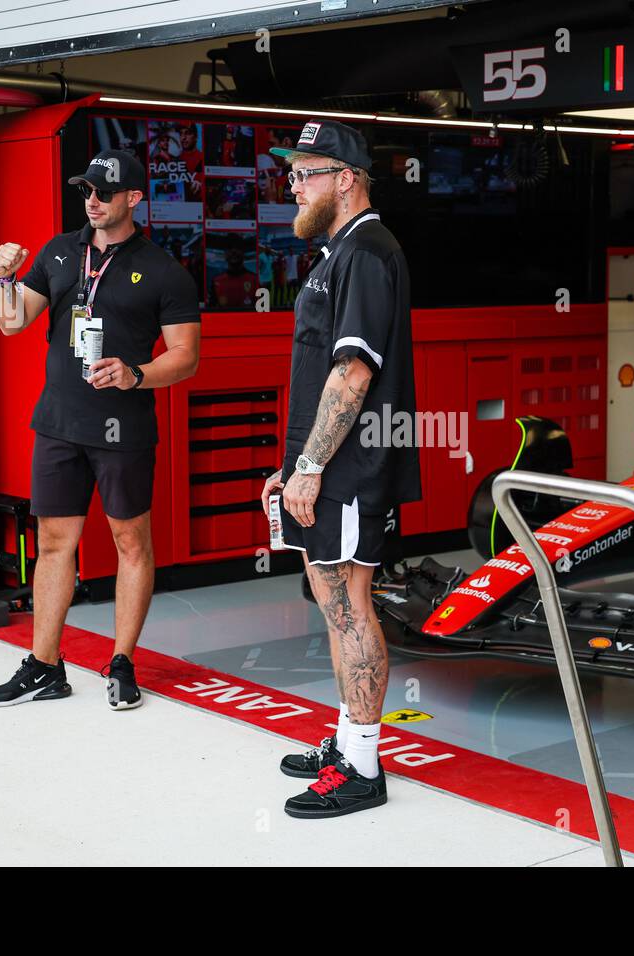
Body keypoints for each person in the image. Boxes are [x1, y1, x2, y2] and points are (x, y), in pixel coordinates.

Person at [0, 149, 202, 710]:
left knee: (131, 544)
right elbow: (12, 322)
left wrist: (137, 375)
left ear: (133, 198)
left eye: (105, 193)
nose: (93, 201)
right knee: (55, 544)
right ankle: (45, 666)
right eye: (86, 191)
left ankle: (123, 661)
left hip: (123, 427)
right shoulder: (60, 252)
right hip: (58, 422)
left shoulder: (164, 270)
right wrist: (1, 277)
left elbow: (186, 357)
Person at [260, 120, 420, 818]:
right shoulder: (340, 252)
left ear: (346, 177)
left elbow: (353, 374)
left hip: (351, 470)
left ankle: (363, 765)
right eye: (291, 174)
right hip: (326, 468)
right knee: (330, 600)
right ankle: (345, 738)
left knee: (350, 604)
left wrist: (314, 465)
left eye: (305, 173)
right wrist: (294, 464)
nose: (291, 185)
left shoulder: (368, 251)